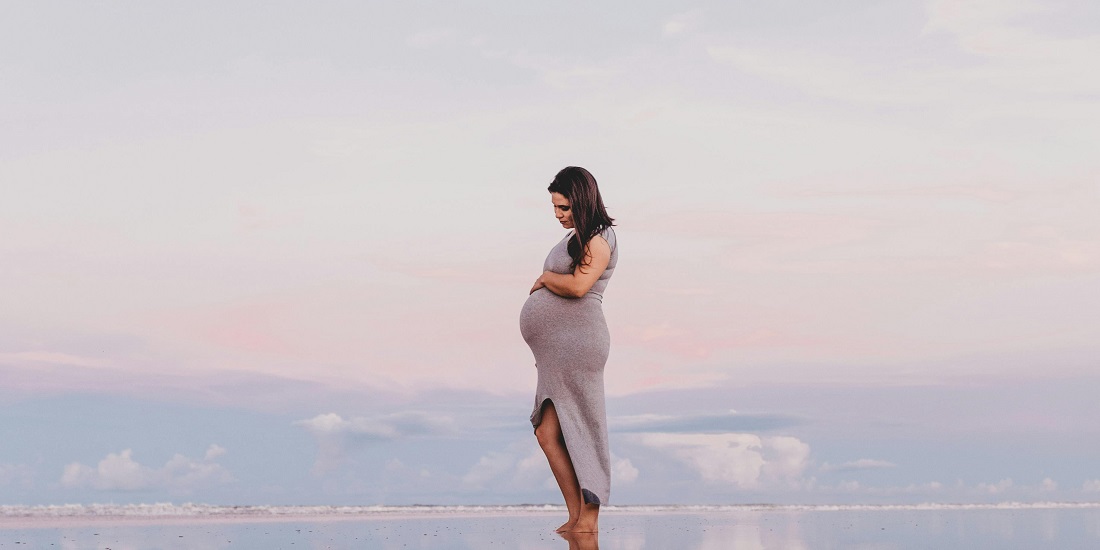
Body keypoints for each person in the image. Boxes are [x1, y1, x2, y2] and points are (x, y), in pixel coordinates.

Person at [520, 166, 618, 534]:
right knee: (547, 433)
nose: (559, 215)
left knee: (584, 428)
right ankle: (577, 516)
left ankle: (588, 521)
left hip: (579, 346)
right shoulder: (578, 236)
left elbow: (580, 286)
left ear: (581, 200)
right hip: (555, 353)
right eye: (555, 209)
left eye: (564, 208)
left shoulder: (599, 239)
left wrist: (545, 279)